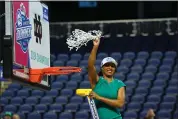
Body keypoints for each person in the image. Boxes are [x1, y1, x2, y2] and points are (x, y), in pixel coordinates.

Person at [88, 37, 126, 119]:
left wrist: (99, 97)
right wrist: (95, 46)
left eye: (112, 66)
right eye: (107, 65)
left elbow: (120, 104)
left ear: (115, 69)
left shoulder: (119, 84)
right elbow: (90, 66)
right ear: (102, 68)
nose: (110, 68)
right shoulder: (97, 81)